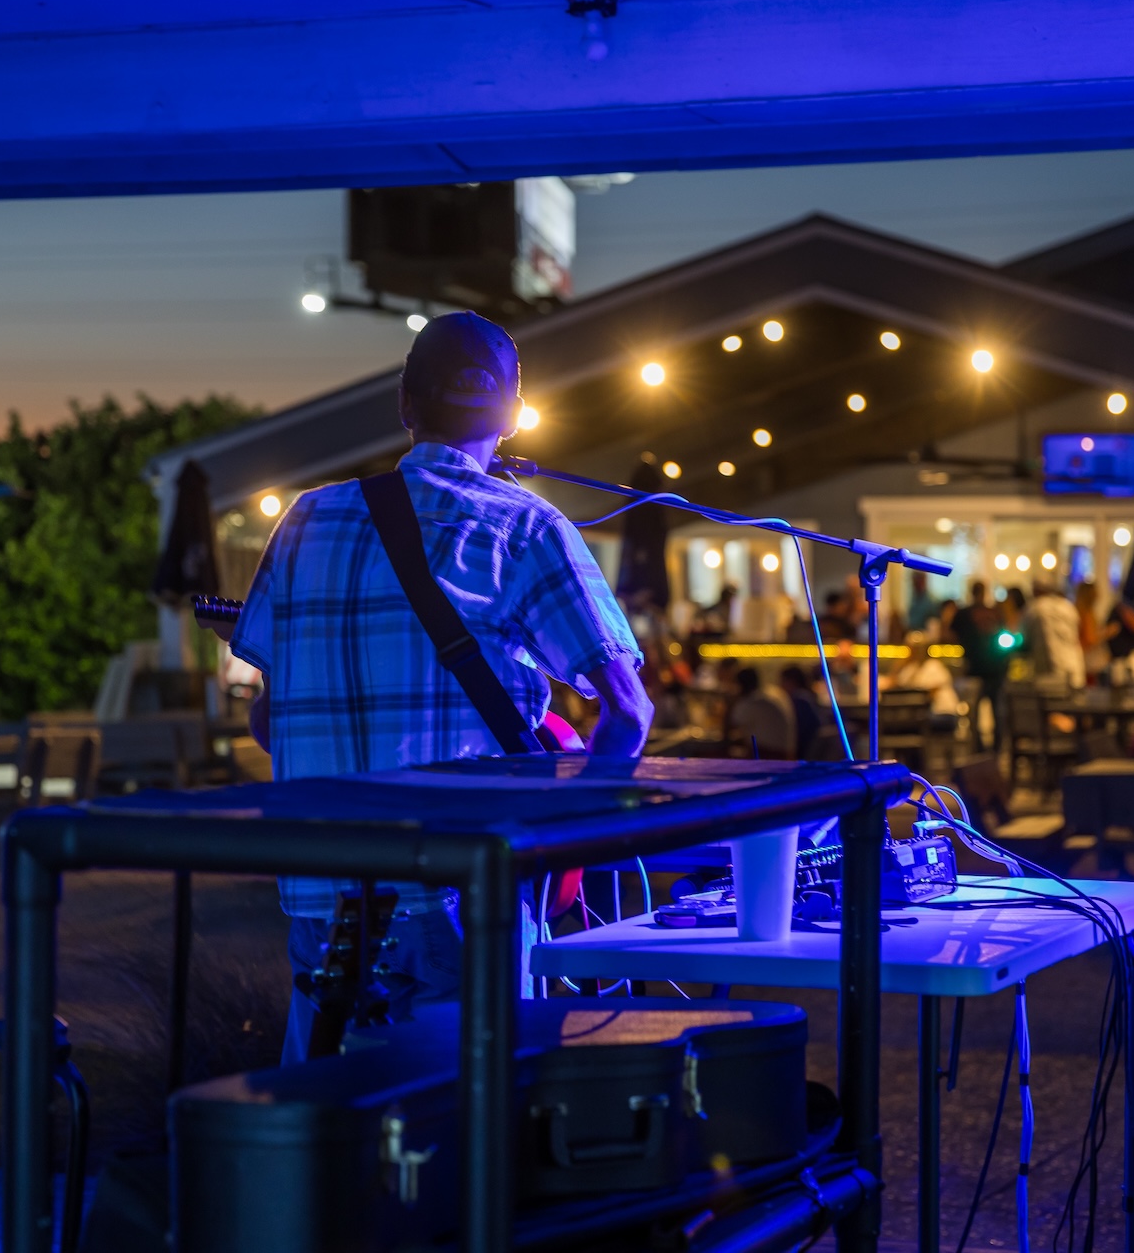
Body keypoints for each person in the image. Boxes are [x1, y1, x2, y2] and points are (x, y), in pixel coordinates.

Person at [224, 311, 652, 1063]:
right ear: (513, 415)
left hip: (323, 895)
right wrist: (576, 825)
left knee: (329, 1133)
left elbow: (269, 722)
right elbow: (627, 710)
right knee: (471, 1141)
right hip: (464, 891)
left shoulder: (304, 520)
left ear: (404, 405)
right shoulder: (526, 527)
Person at [951, 581, 1008, 750]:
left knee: (974, 712)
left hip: (974, 668)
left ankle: (978, 748)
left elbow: (950, 634)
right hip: (995, 668)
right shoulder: (995, 612)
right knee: (997, 711)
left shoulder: (963, 613)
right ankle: (997, 748)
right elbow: (1005, 634)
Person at [889, 631, 959, 730]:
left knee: (911, 724)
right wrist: (901, 663)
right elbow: (894, 683)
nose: (916, 651)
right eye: (912, 648)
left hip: (943, 714)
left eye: (918, 648)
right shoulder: (911, 669)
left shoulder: (934, 666)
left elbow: (930, 695)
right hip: (922, 714)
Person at [1023, 578, 1085, 689]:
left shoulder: (1036, 609)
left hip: (1048, 674)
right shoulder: (1068, 607)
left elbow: (1024, 638)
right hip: (1074, 669)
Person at [726, 666, 795, 759]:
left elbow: (730, 726)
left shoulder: (752, 701)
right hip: (788, 755)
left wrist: (730, 701)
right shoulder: (773, 693)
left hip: (768, 755)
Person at [778, 665, 822, 759]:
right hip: (812, 750)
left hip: (804, 752)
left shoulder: (799, 699)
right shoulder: (807, 696)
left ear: (791, 681)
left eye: (783, 681)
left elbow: (797, 732)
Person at [905, 569, 937, 633]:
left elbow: (933, 625)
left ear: (923, 580)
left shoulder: (931, 602)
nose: (914, 584)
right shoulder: (914, 599)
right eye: (913, 581)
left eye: (917, 581)